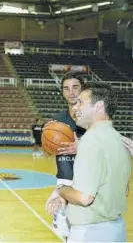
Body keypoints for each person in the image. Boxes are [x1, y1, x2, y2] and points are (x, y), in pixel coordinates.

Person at [47, 82, 132, 242]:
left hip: (91, 233)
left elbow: (84, 197)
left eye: (81, 102)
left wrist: (61, 190)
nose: (75, 107)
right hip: (116, 229)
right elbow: (123, 191)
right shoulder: (121, 140)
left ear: (99, 106)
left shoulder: (90, 141)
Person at [45, 71, 86, 236]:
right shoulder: (57, 120)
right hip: (64, 182)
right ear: (62, 92)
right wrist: (48, 145)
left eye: (75, 87)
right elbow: (50, 151)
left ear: (83, 89)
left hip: (87, 183)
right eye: (66, 88)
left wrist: (81, 147)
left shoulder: (92, 118)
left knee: (84, 232)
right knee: (65, 234)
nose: (71, 92)